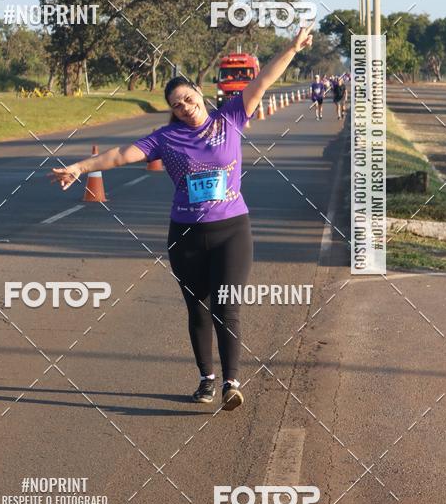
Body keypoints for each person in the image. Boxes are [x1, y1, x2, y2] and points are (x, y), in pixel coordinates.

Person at [50, 25, 314, 412]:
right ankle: (206, 378)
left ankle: (231, 382)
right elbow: (121, 155)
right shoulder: (164, 138)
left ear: (200, 97)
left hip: (232, 230)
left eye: (189, 99)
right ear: (172, 110)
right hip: (186, 235)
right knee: (198, 308)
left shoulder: (231, 119)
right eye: (177, 104)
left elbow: (263, 79)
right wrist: (79, 166)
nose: (185, 107)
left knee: (227, 304)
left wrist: (291, 48)